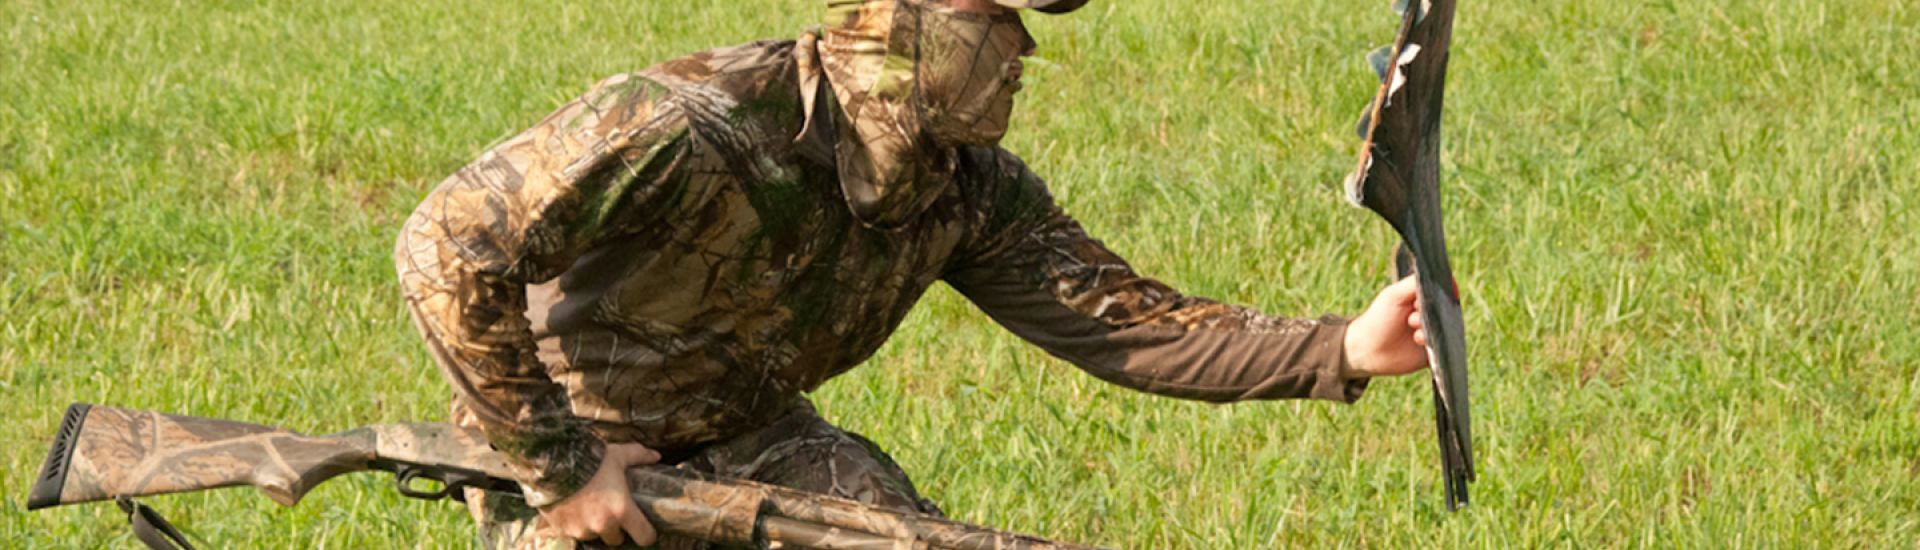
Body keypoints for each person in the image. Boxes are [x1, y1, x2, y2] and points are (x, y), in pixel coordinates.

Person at [395, 0, 1433, 547]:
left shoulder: (963, 191)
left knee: (905, 537)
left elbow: (1127, 320)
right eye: (994, 18)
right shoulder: (695, 123)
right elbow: (445, 244)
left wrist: (1341, 345)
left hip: (752, 435)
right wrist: (562, 470)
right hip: (573, 455)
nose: (1019, 49)